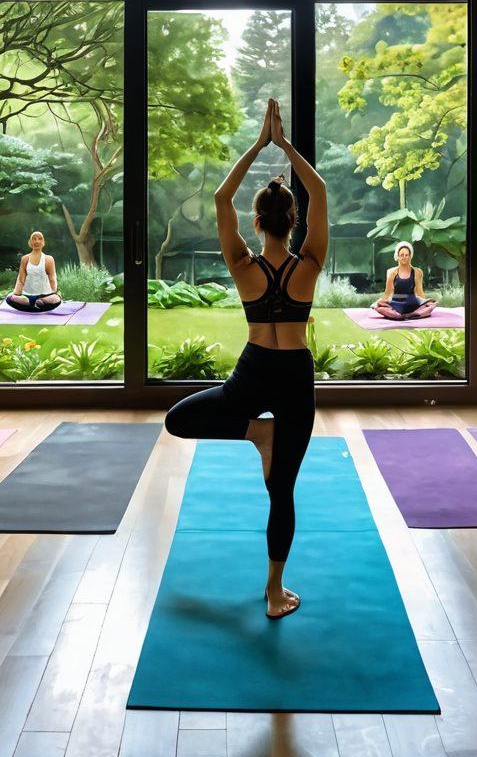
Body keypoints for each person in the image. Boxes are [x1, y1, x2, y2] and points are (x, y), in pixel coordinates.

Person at [163, 97, 327, 621]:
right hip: (295, 375)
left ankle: (256, 431)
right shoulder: (310, 262)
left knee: (178, 419)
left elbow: (220, 197)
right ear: (294, 221)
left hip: (254, 370)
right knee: (283, 490)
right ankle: (275, 592)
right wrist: (286, 146)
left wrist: (259, 145)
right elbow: (320, 190)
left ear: (256, 222)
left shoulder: (241, 264)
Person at [371, 241, 438, 320]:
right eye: (402, 255)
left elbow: (419, 291)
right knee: (378, 306)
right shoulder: (391, 272)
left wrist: (423, 303)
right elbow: (388, 292)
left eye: (406, 255)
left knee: (431, 304)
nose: (404, 257)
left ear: (410, 256)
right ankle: (398, 315)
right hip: (396, 303)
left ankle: (411, 314)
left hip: (412, 303)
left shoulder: (417, 272)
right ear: (398, 256)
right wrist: (382, 302)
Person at [6, 231, 63, 313]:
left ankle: (36, 304)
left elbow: (52, 278)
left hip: (44, 297)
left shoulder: (48, 259)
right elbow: (21, 279)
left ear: (43, 242)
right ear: (30, 242)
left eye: (40, 239)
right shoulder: (25, 259)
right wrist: (16, 294)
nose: (37, 241)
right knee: (9, 298)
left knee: (57, 298)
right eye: (34, 239)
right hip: (27, 296)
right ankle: (30, 304)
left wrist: (54, 293)